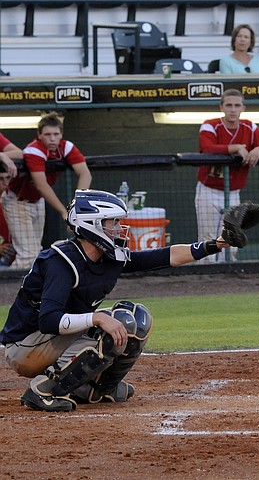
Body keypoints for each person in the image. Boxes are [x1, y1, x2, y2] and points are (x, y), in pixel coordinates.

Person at [0, 189, 233, 412]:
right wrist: (97, 318)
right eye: (113, 222)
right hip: (25, 346)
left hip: (52, 339)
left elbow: (164, 256)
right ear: (92, 225)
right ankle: (44, 390)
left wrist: (216, 244)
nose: (120, 228)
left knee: (136, 319)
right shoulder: (61, 261)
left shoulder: (108, 255)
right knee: (113, 322)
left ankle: (97, 388)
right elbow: (48, 321)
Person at [196, 89, 259, 262]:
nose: (233, 109)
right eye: (229, 105)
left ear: (243, 108)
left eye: (237, 105)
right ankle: (206, 274)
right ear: (221, 107)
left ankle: (228, 275)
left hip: (233, 192)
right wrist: (237, 147)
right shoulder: (210, 124)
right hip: (208, 190)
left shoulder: (249, 126)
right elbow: (207, 148)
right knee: (208, 236)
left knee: (231, 234)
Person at [2, 113, 91, 269]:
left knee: (36, 253)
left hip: (37, 202)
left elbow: (85, 174)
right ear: (39, 135)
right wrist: (65, 213)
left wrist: (76, 208)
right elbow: (41, 185)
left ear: (61, 135)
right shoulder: (34, 150)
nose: (52, 138)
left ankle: (32, 290)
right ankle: (10, 290)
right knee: (27, 256)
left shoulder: (66, 146)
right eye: (48, 134)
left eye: (56, 134)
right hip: (17, 202)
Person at [0, 163, 16, 266]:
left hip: (16, 258)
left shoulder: (15, 202)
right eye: (1, 179)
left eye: (8, 178)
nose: (6, 183)